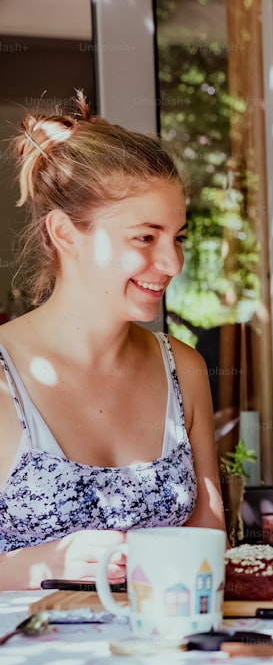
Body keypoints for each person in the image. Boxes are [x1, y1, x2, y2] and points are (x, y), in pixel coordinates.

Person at [0, 92, 225, 589]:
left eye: (178, 237)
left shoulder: (181, 368)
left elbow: (209, 541)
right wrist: (44, 565)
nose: (172, 263)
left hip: (170, 657)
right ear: (65, 233)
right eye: (145, 238)